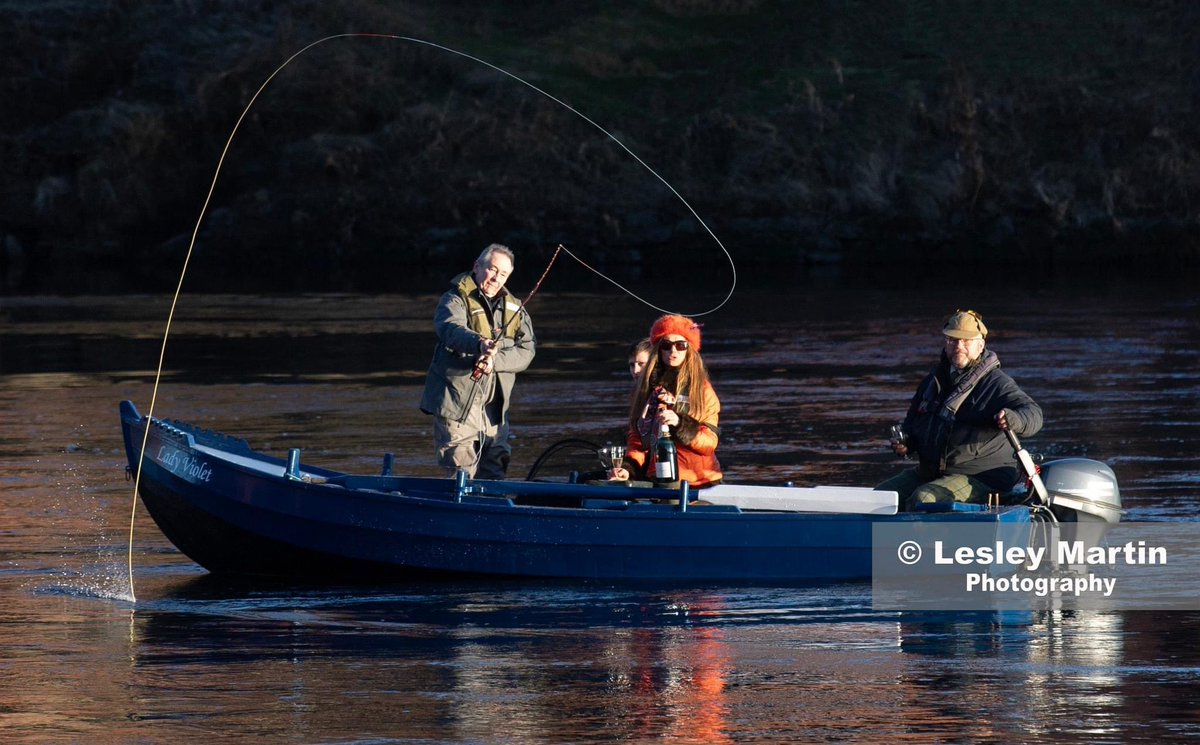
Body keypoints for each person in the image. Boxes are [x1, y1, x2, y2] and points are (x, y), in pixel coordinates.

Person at [877, 309, 1043, 510]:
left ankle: (919, 542)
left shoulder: (997, 383)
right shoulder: (932, 382)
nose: (959, 346)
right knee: (880, 499)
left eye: (966, 341)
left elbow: (1033, 413)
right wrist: (906, 443)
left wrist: (1013, 419)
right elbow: (912, 424)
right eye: (952, 340)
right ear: (945, 344)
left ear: (980, 345)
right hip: (932, 474)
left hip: (983, 478)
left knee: (924, 499)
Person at [420, 243, 536, 479]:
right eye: (492, 270)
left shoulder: (515, 308)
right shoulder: (454, 299)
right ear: (477, 266)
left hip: (495, 411)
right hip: (457, 404)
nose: (496, 278)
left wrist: (496, 361)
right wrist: (479, 344)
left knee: (495, 474)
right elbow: (450, 329)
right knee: (461, 475)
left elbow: (527, 350)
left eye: (503, 274)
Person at [609, 314, 723, 487]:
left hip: (698, 482)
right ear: (658, 349)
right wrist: (628, 468)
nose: (673, 351)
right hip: (659, 478)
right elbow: (638, 440)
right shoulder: (646, 390)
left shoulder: (702, 390)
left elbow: (710, 444)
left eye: (681, 345)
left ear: (689, 349)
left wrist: (679, 422)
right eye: (666, 345)